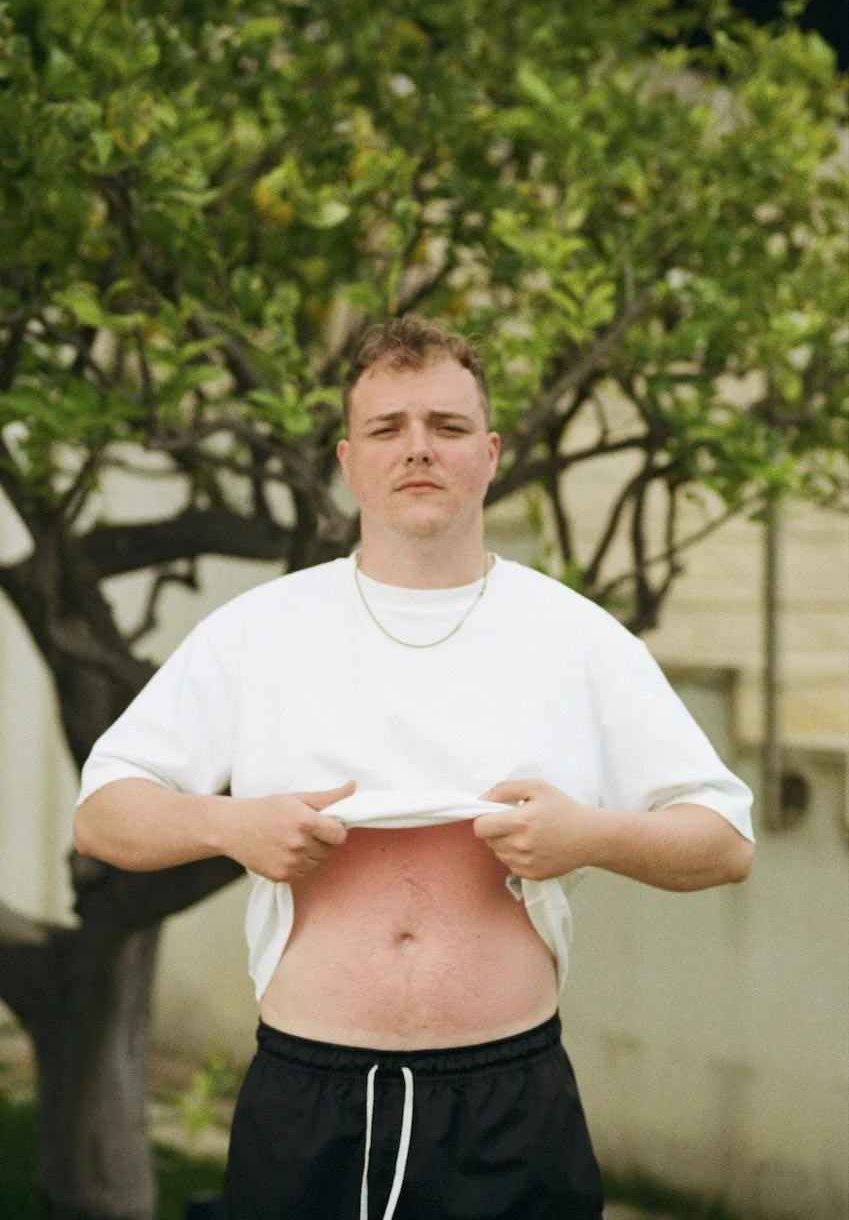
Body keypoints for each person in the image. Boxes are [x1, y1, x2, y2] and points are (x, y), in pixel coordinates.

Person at [74, 314, 755, 1220]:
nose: (417, 450)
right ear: (350, 461)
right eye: (388, 429)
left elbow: (724, 840)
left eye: (446, 426)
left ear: (490, 454)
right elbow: (103, 813)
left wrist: (585, 835)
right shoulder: (260, 630)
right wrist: (232, 824)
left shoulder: (576, 637)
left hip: (508, 1100)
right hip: (307, 1095)